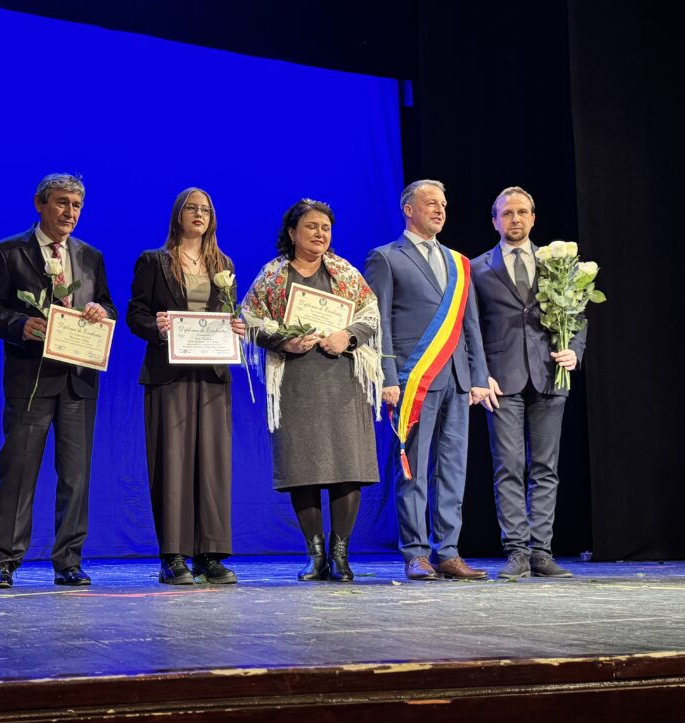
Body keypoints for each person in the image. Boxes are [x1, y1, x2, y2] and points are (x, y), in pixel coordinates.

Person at [0, 173, 116, 589]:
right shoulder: (8, 251)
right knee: (18, 472)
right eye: (61, 203)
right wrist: (20, 325)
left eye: (76, 206)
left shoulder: (90, 255)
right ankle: (4, 560)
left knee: (75, 477)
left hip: (78, 380)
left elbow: (107, 304)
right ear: (40, 204)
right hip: (31, 379)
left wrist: (100, 312)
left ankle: (69, 561)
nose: (69, 212)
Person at [243, 199, 383, 582]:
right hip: (296, 380)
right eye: (311, 226)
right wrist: (283, 341)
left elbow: (370, 314)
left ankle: (340, 555)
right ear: (292, 233)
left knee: (347, 466)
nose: (320, 233)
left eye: (325, 227)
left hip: (343, 378)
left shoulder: (345, 272)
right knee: (302, 468)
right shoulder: (274, 275)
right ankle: (315, 556)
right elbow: (250, 318)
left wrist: (347, 336)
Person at [364, 180, 496, 581]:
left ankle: (448, 552)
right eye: (431, 203)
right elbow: (379, 324)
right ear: (409, 209)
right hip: (414, 379)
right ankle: (416, 552)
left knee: (453, 469)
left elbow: (470, 325)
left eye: (443, 204)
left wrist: (478, 376)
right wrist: (387, 376)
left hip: (456, 378)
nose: (440, 210)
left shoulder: (459, 262)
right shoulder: (386, 258)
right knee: (414, 468)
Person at [127, 188, 246, 585]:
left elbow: (227, 312)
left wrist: (236, 326)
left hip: (211, 374)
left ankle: (210, 555)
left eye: (205, 210)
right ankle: (174, 555)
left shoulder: (223, 264)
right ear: (178, 214)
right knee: (172, 463)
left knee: (212, 465)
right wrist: (156, 327)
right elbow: (135, 314)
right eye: (192, 208)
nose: (199, 214)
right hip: (169, 374)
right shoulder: (154, 261)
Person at [471, 186, 586, 579]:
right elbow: (471, 327)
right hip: (501, 381)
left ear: (533, 218)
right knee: (509, 466)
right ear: (495, 221)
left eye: (522, 212)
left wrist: (574, 351)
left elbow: (577, 315)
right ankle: (516, 551)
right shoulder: (477, 268)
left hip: (549, 376)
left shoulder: (557, 264)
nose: (515, 219)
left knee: (545, 468)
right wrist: (479, 373)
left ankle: (541, 551)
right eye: (507, 213)